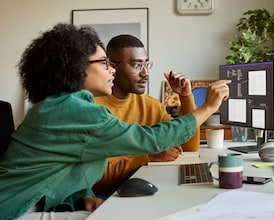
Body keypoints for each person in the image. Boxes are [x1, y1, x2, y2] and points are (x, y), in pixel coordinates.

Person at [0, 23, 230, 220]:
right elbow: (152, 139)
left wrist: (85, 198)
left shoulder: (63, 105)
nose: (111, 69)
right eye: (103, 63)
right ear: (75, 67)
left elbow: (66, 171)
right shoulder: (72, 109)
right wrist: (208, 107)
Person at [93, 34, 200, 195]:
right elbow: (94, 178)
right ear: (112, 67)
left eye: (146, 64)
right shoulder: (91, 108)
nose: (145, 73)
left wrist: (185, 97)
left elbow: (188, 147)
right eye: (136, 65)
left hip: (142, 185)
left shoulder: (150, 105)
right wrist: (149, 157)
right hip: (105, 195)